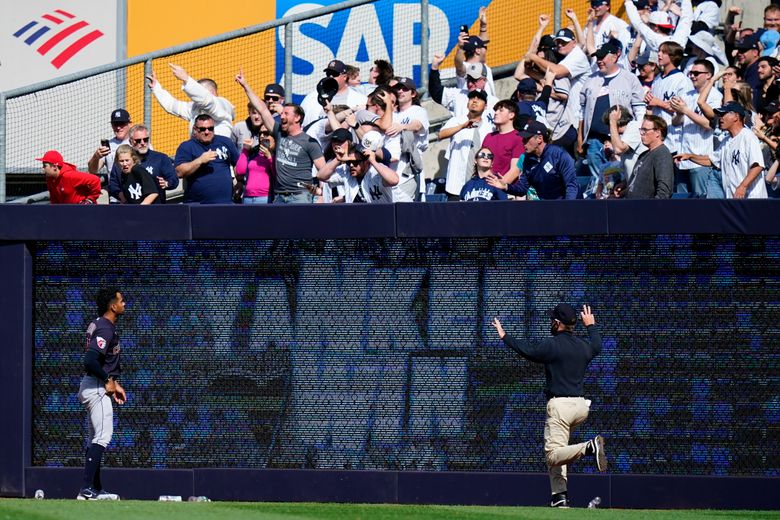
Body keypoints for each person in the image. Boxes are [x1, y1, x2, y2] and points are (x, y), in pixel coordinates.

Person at [491, 303, 606, 508]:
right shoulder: (583, 346)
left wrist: (504, 336)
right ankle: (559, 497)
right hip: (581, 406)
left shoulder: (551, 345)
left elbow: (527, 350)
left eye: (552, 320)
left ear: (557, 323)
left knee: (553, 455)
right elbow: (597, 346)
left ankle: (590, 447)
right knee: (559, 450)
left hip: (561, 406)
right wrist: (591, 326)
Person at [236, 71, 326, 204]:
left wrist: (321, 195)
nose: (281, 116)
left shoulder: (309, 142)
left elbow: (323, 171)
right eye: (282, 113)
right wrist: (245, 85)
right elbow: (262, 109)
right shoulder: (279, 133)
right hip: (279, 196)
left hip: (300, 196)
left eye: (286, 114)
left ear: (297, 118)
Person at [76, 288, 127, 501]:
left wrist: (115, 384)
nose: (124, 304)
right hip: (97, 387)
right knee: (103, 437)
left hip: (93, 384)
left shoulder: (100, 323)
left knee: (94, 439)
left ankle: (95, 489)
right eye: (121, 300)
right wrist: (107, 381)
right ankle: (86, 489)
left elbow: (101, 362)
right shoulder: (106, 328)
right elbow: (89, 360)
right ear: (112, 306)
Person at [579, 42, 646, 197]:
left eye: (603, 57)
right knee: (598, 183)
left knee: (620, 179)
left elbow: (639, 108)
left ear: (616, 56)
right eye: (597, 57)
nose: (599, 60)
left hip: (620, 140)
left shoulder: (630, 78)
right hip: (595, 140)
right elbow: (581, 111)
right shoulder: (590, 79)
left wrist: (638, 132)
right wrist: (581, 137)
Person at [676, 102, 767, 199]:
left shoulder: (748, 137)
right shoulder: (726, 141)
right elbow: (711, 160)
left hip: (752, 199)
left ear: (736, 117)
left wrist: (743, 186)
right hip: (734, 199)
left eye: (724, 114)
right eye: (720, 115)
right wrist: (690, 157)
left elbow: (758, 166)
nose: (720, 118)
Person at [670, 59, 722, 197]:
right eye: (691, 73)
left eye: (696, 73)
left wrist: (685, 110)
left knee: (701, 203)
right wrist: (680, 113)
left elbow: (709, 125)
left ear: (709, 75)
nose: (692, 76)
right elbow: (675, 122)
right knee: (682, 206)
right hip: (682, 159)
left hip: (700, 160)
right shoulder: (687, 94)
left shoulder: (715, 96)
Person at [491, 120, 578, 200]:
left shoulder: (559, 155)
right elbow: (522, 189)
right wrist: (506, 186)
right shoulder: (527, 159)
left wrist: (567, 209)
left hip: (566, 206)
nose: (523, 142)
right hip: (547, 208)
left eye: (526, 138)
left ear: (539, 139)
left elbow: (571, 186)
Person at [147, 64, 235, 137]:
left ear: (211, 92)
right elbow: (171, 105)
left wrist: (186, 79)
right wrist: (156, 87)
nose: (195, 97)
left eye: (200, 90)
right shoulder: (195, 107)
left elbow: (206, 100)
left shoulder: (222, 104)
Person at [438, 89, 494, 200]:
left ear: (486, 106)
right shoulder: (456, 120)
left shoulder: (489, 127)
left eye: (479, 98)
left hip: (480, 187)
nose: (475, 101)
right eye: (472, 98)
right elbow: (441, 134)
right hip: (456, 186)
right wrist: (462, 126)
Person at [174, 114, 239, 204]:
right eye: (202, 129)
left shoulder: (225, 142)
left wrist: (240, 182)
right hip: (197, 205)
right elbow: (179, 172)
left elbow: (237, 163)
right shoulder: (187, 146)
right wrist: (200, 160)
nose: (207, 132)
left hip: (225, 203)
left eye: (210, 128)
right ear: (195, 129)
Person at [108, 125, 178, 204]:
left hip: (156, 208)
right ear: (131, 141)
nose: (142, 143)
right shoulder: (123, 161)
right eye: (138, 141)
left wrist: (167, 183)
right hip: (131, 208)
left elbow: (174, 180)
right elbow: (113, 185)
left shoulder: (160, 158)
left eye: (145, 140)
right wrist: (122, 196)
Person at [316, 141, 398, 203]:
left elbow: (394, 180)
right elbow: (321, 176)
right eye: (349, 162)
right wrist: (337, 159)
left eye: (355, 162)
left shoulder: (375, 171)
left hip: (387, 216)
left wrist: (373, 162)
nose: (351, 165)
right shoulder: (346, 170)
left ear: (366, 161)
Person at [614, 115, 674, 199]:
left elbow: (664, 191)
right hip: (633, 206)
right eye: (641, 130)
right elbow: (640, 182)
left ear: (657, 133)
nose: (641, 133)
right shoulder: (644, 154)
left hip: (646, 209)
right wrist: (625, 188)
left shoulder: (662, 154)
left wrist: (651, 209)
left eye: (645, 130)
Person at [300, 60, 368, 128]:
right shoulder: (312, 97)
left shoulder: (359, 99)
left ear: (344, 76)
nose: (331, 77)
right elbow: (302, 124)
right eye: (328, 74)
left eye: (335, 74)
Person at [481, 100, 524, 184]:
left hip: (504, 190)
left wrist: (498, 185)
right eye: (496, 110)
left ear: (511, 115)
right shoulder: (489, 137)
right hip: (483, 187)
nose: (496, 113)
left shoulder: (518, 138)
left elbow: (515, 170)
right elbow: (481, 164)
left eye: (501, 110)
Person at [36, 150, 101, 204]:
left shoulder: (69, 176)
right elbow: (54, 199)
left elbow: (95, 180)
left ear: (55, 167)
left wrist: (90, 200)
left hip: (85, 212)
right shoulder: (50, 178)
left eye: (45, 166)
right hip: (67, 213)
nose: (43, 168)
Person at [87, 109, 132, 180]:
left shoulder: (138, 142)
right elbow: (92, 170)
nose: (118, 127)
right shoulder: (108, 145)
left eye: (122, 123)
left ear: (129, 124)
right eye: (115, 124)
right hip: (114, 188)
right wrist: (96, 157)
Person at [235, 125, 274, 204]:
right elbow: (240, 171)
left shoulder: (276, 153)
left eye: (266, 133)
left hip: (265, 197)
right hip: (247, 197)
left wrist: (269, 157)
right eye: (260, 133)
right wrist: (245, 150)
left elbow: (277, 174)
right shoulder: (254, 152)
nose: (262, 136)